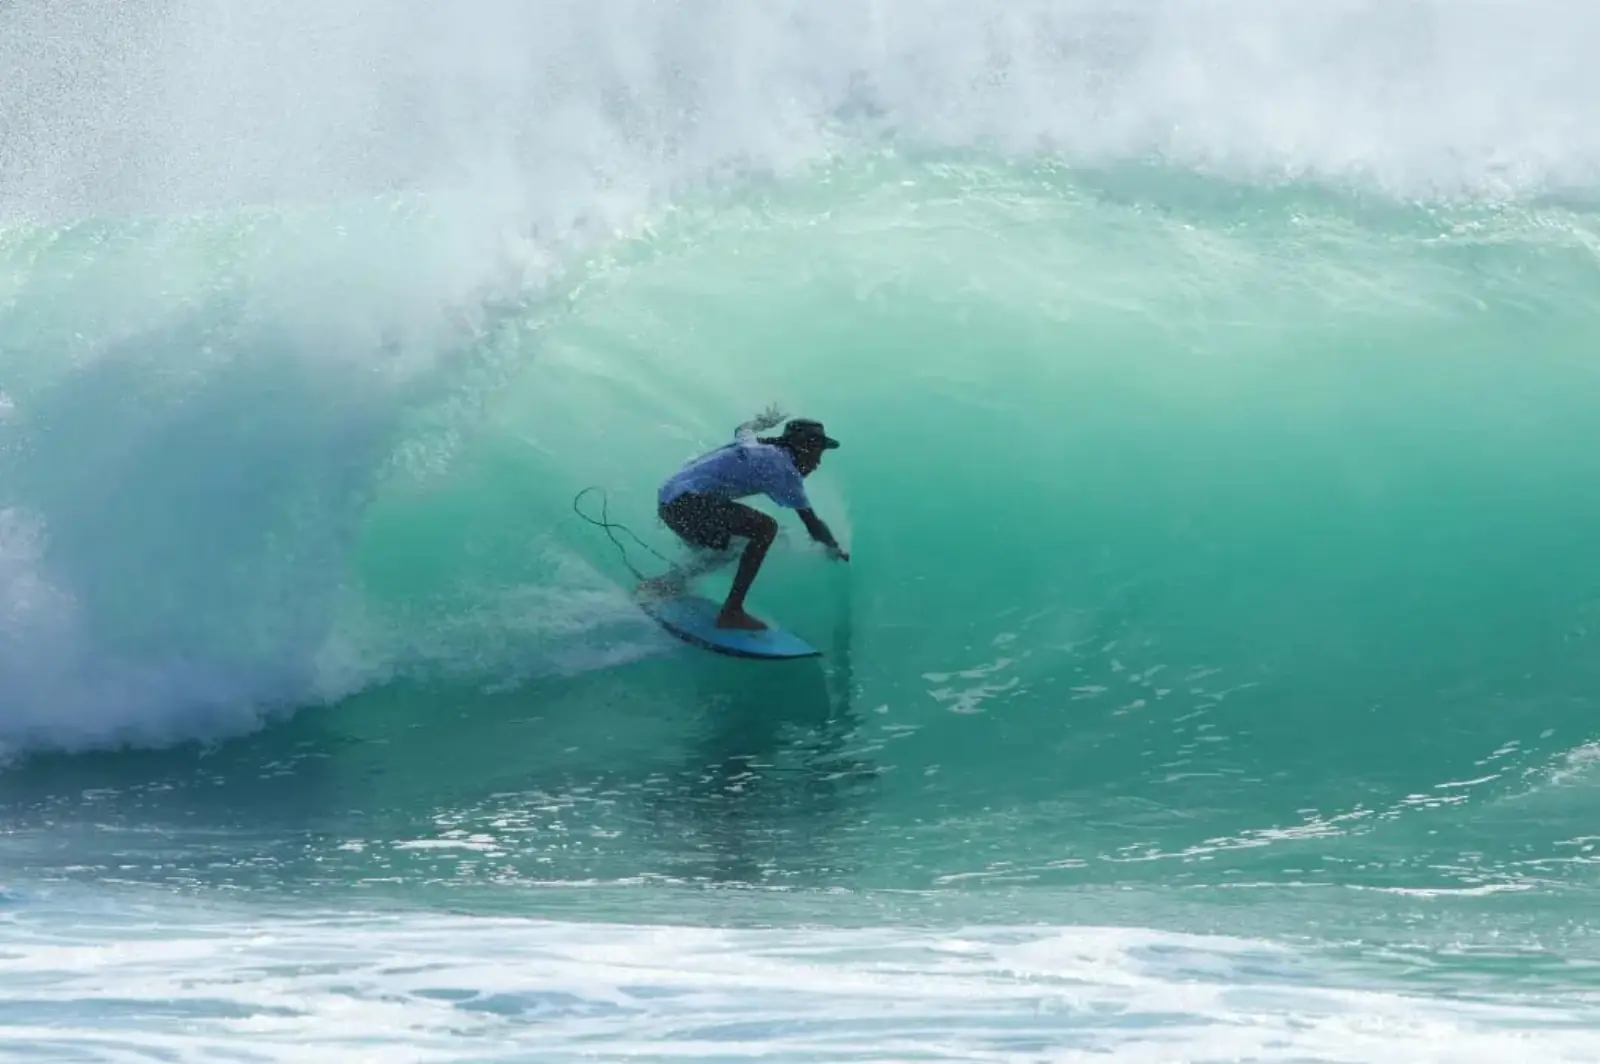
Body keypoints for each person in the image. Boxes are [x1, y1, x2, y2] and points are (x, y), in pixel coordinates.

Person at [645, 406, 849, 630]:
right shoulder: (784, 469)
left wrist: (763, 421)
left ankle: (667, 584)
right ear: (801, 447)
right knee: (766, 528)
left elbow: (743, 428)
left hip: (669, 501)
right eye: (816, 455)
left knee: (735, 547)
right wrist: (835, 548)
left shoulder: (759, 445)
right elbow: (813, 525)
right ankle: (731, 611)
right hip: (688, 503)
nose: (817, 464)